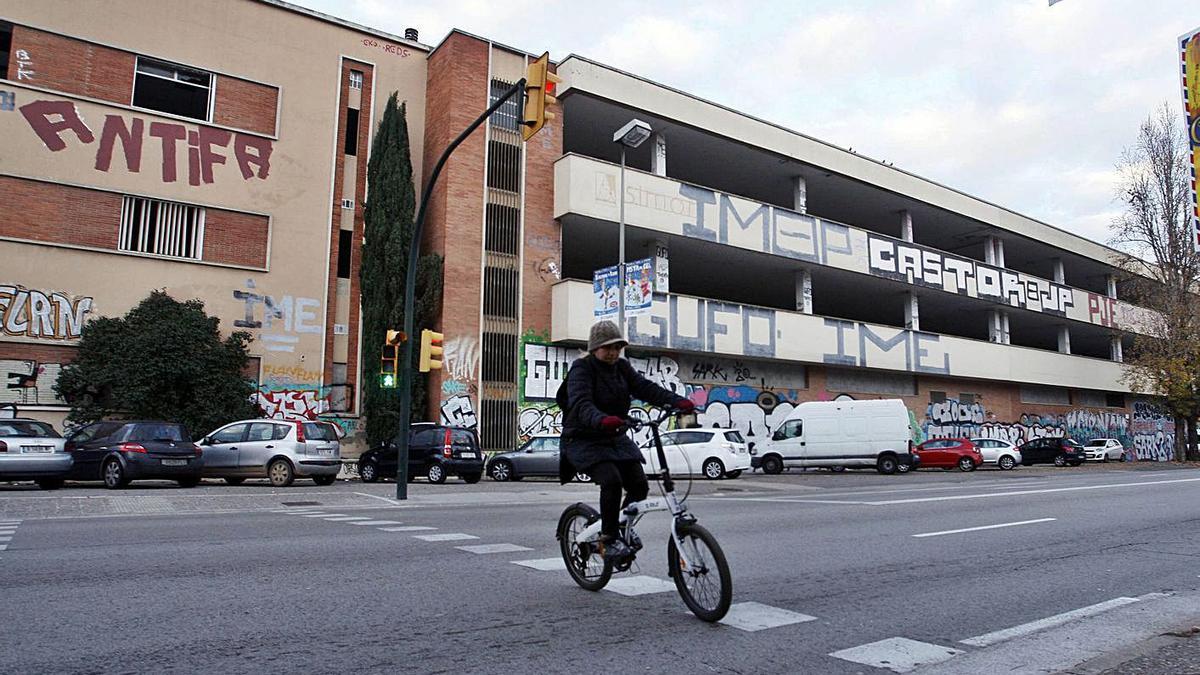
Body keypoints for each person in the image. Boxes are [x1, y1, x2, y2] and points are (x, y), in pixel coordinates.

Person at [558, 320, 694, 561]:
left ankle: (620, 527)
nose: (613, 353)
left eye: (617, 348)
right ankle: (608, 538)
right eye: (608, 348)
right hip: (583, 438)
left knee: (639, 485)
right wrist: (602, 420)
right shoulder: (582, 368)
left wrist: (678, 401)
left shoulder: (622, 367)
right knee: (611, 480)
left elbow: (645, 388)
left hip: (614, 436)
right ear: (595, 348)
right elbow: (581, 404)